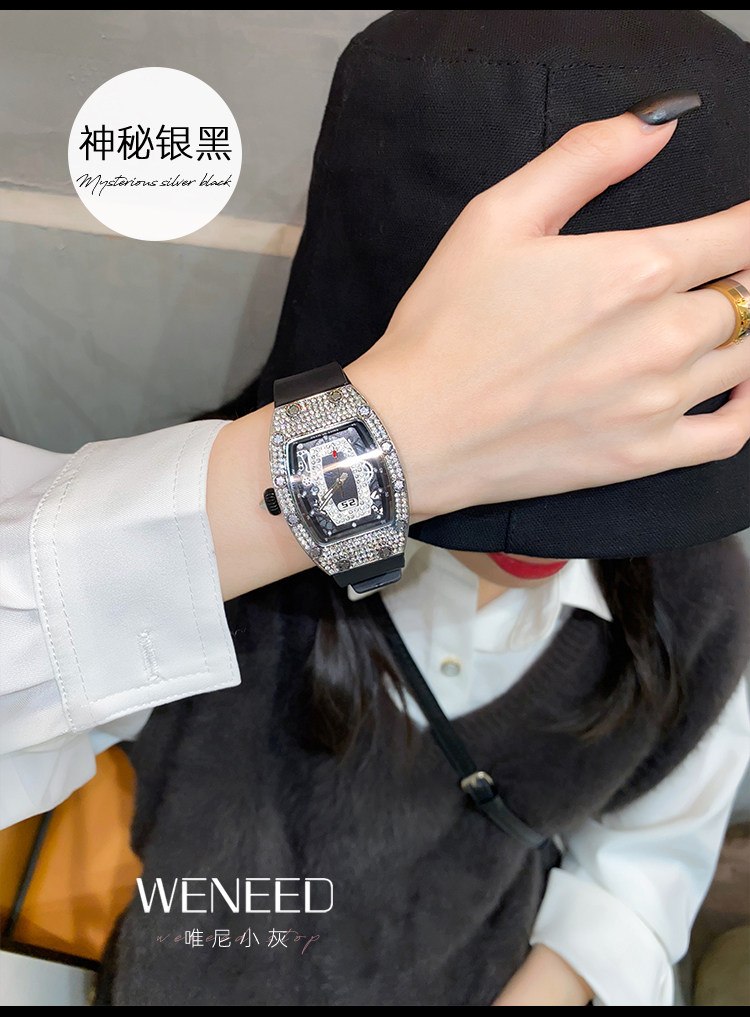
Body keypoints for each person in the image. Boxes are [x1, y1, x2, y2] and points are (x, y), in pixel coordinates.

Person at [1, 8, 749, 1007]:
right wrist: (367, 446)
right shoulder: (220, 548)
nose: (546, 497)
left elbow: (641, 877)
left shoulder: (702, 606)